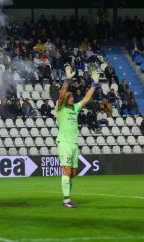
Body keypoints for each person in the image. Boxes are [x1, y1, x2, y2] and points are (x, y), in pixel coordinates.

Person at [56, 66, 99, 208]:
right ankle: (66, 200)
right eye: (71, 97)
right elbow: (62, 94)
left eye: (73, 97)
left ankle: (68, 198)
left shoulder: (74, 109)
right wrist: (67, 80)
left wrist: (94, 84)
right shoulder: (61, 109)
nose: (72, 99)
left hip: (74, 144)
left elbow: (87, 98)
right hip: (64, 143)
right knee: (66, 170)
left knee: (73, 173)